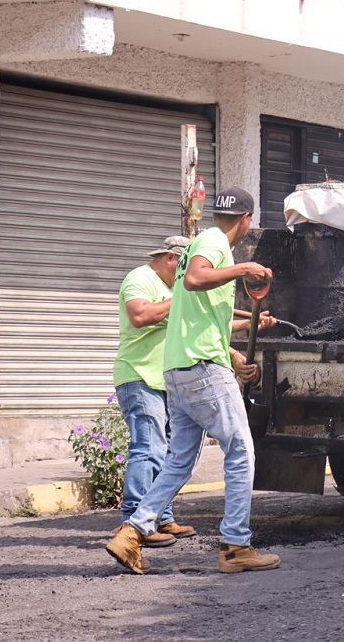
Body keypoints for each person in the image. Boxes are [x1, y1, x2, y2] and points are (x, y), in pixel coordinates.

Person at [106, 187, 281, 575]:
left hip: (179, 369)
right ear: (247, 220)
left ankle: (132, 532)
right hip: (201, 368)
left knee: (180, 460)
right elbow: (196, 281)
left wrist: (242, 339)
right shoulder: (214, 242)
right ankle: (236, 545)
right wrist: (244, 269)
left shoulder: (200, 246)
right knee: (240, 451)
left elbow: (201, 315)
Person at [113, 235, 196, 548]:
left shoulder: (173, 289)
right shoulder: (140, 278)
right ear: (171, 259)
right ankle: (134, 520)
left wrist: (255, 322)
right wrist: (182, 298)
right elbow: (139, 316)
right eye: (185, 268)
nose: (189, 275)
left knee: (168, 452)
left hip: (164, 381)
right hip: (139, 377)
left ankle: (161, 517)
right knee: (148, 447)